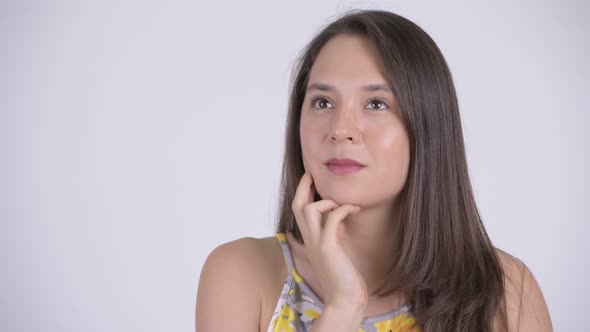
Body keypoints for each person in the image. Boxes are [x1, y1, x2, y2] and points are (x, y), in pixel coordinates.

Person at [195, 9, 552, 332]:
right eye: (322, 101)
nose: (340, 128)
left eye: (376, 103)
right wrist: (343, 307)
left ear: (427, 129)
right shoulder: (240, 274)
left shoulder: (505, 292)